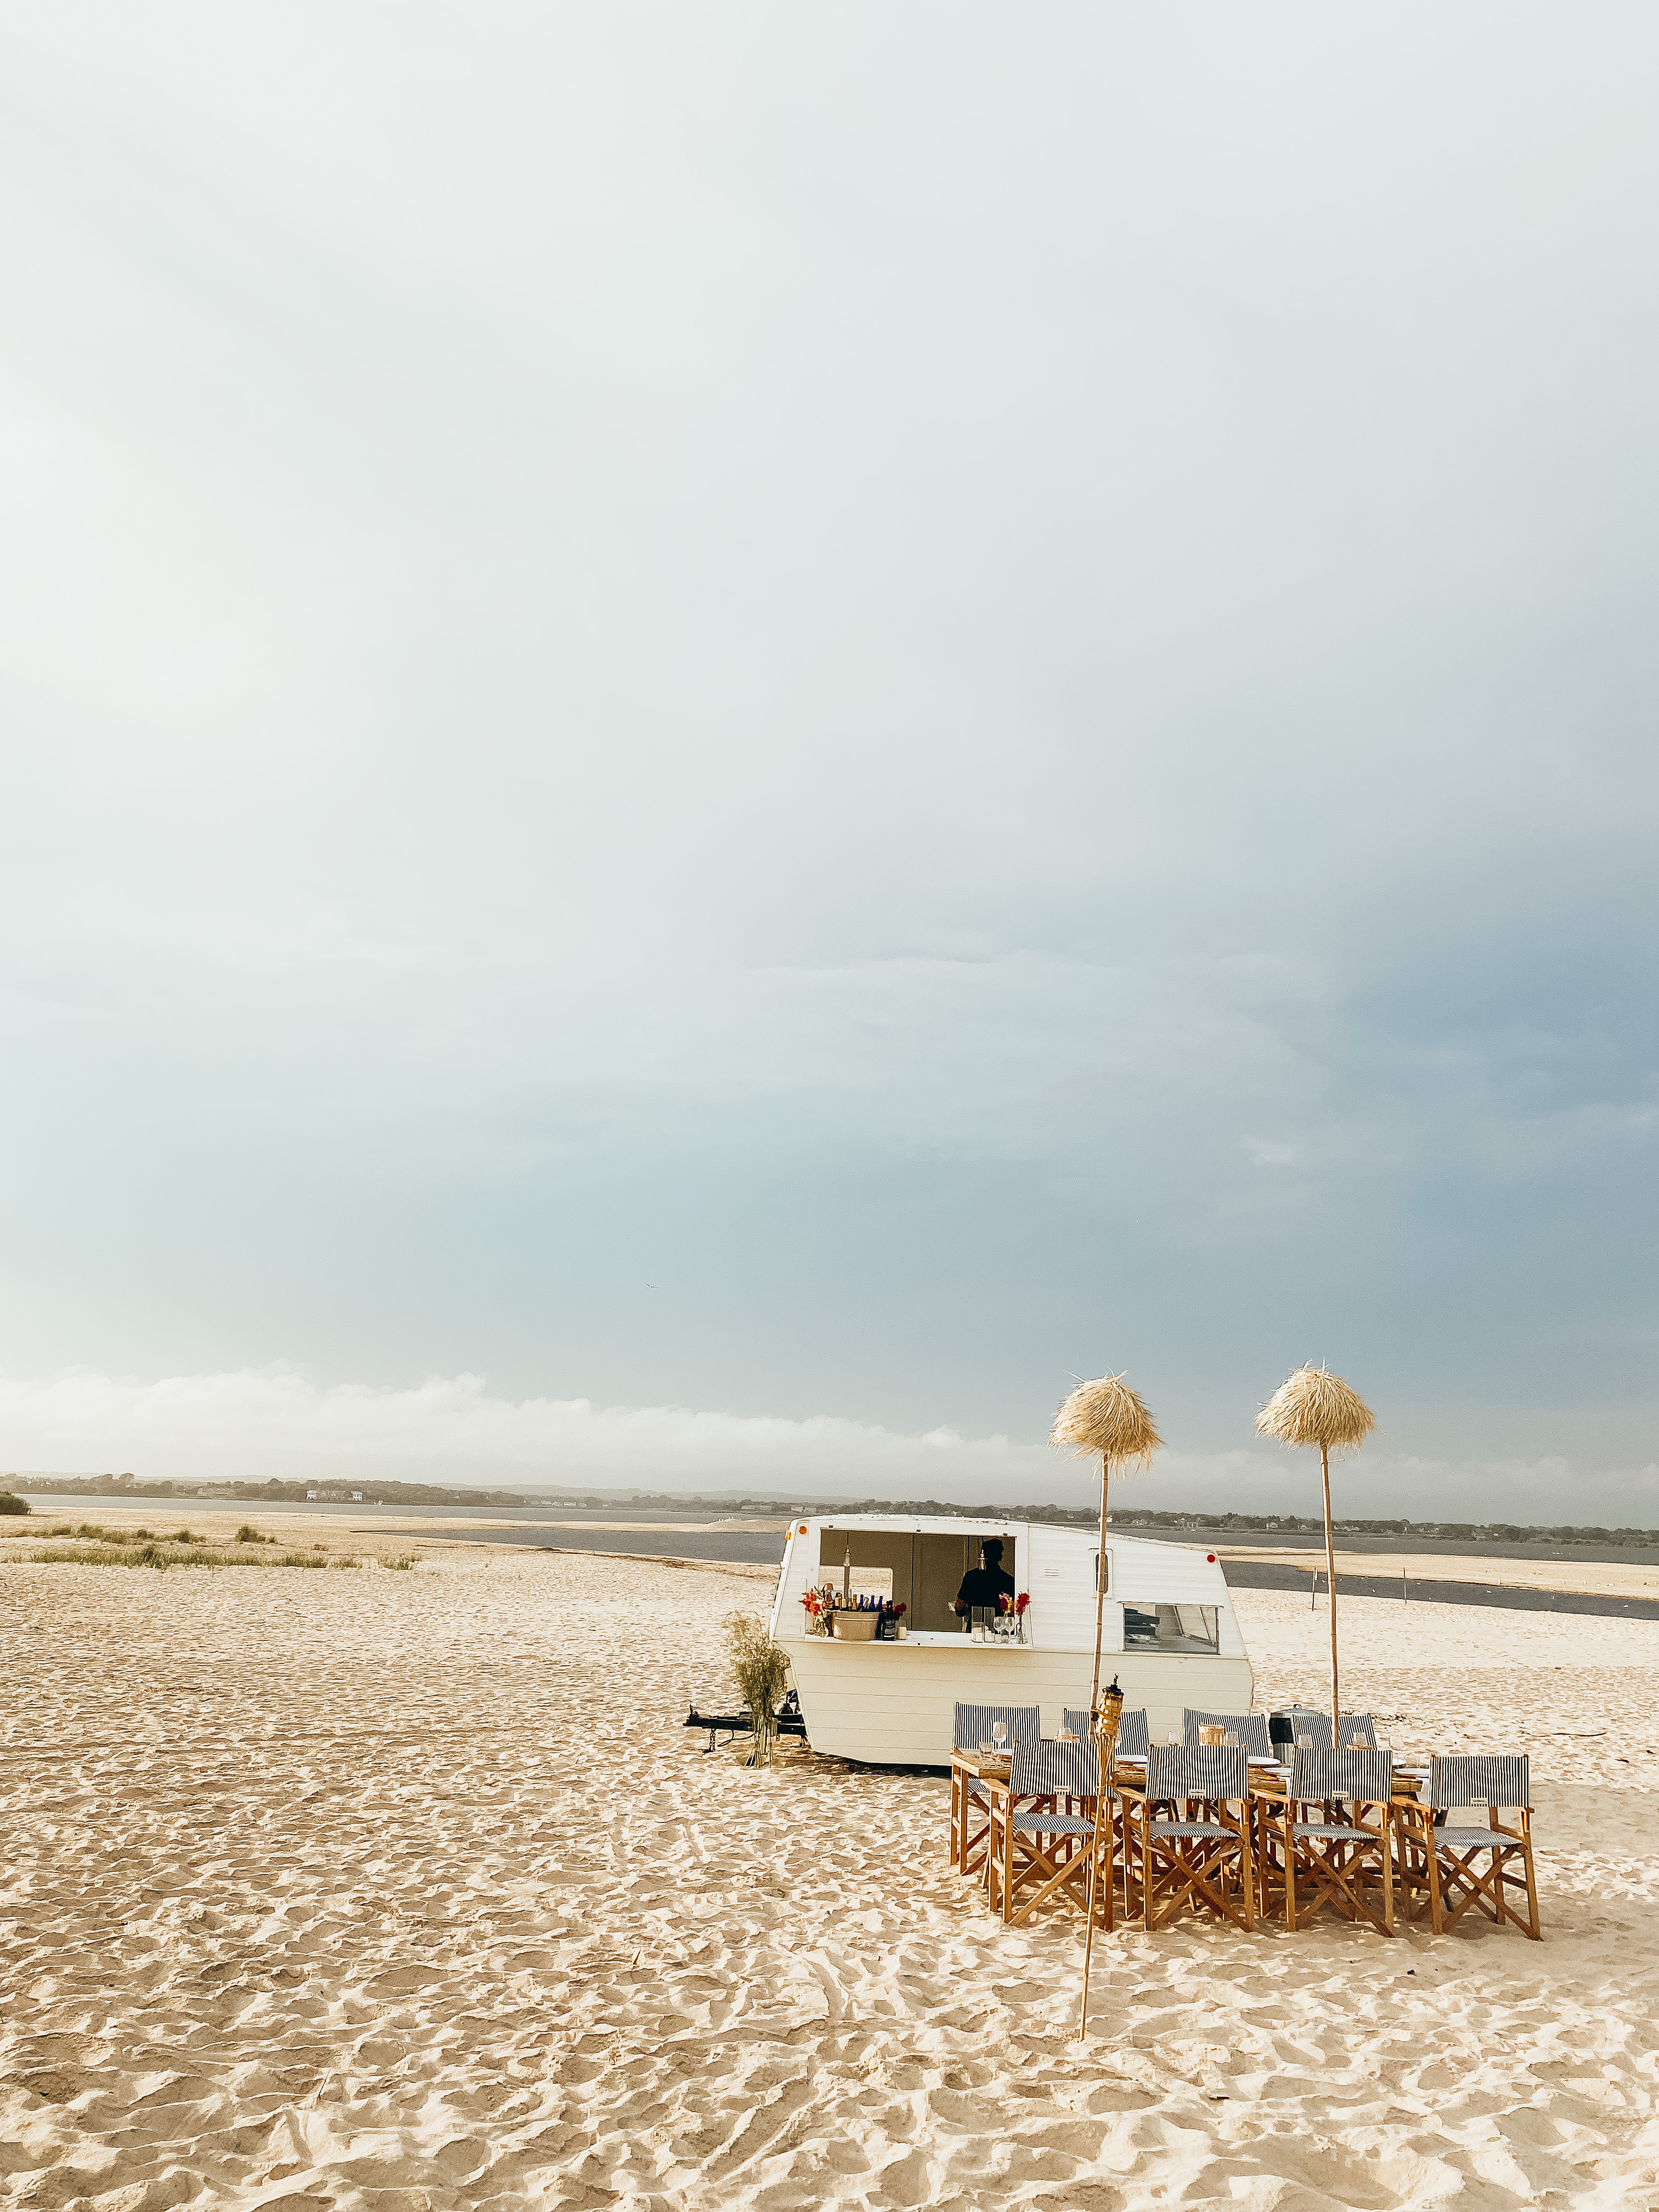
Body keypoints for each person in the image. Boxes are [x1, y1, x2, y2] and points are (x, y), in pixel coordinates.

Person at [952, 1537, 1014, 1625]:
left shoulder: (971, 1576)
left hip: (975, 1628)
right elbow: (1012, 1611)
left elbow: (960, 1608)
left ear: (982, 1556)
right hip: (999, 1628)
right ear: (1000, 1557)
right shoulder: (1008, 1580)